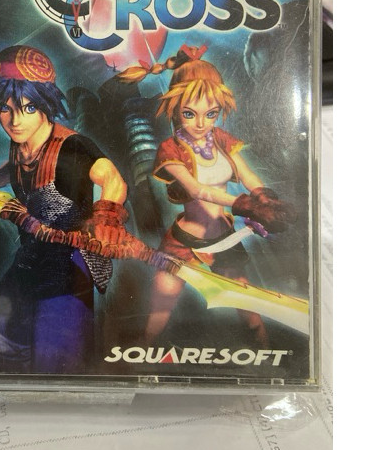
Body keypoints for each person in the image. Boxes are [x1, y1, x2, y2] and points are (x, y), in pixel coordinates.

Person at [0, 45, 128, 373]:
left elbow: (113, 180)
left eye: (28, 107)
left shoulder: (72, 147)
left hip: (67, 269)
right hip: (29, 260)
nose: (15, 120)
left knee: (56, 360)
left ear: (45, 104)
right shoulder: (21, 144)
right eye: (5, 108)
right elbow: (14, 167)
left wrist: (106, 218)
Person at [121, 44, 295, 347]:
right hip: (184, 241)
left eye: (210, 114)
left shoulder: (221, 139)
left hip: (223, 238)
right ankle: (139, 357)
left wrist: (264, 196)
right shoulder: (171, 149)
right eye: (190, 114)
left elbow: (246, 174)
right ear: (176, 107)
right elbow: (197, 189)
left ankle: (268, 357)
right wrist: (245, 205)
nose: (201, 124)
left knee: (250, 314)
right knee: (160, 310)